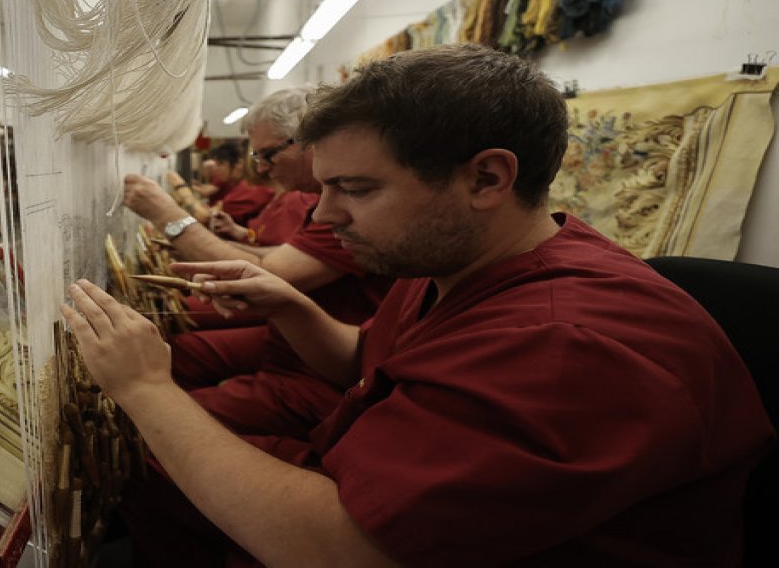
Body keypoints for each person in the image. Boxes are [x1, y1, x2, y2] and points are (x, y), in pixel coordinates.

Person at [62, 44, 775, 566]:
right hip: (385, 488)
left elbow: (337, 551)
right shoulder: (448, 260)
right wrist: (291, 306)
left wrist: (144, 387)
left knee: (157, 443)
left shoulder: (565, 345)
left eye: (357, 189)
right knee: (157, 469)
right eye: (324, 187)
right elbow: (361, 361)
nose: (326, 215)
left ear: (488, 178)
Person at [124, 88, 392, 437]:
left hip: (312, 379)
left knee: (150, 428)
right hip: (292, 350)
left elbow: (275, 274)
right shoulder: (321, 206)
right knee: (173, 356)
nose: (262, 169)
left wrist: (169, 214)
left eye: (268, 155)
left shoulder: (353, 214)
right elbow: (277, 260)